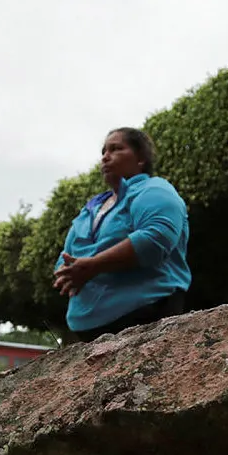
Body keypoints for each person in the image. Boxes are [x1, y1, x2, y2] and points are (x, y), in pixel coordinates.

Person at [54, 127, 191, 341]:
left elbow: (156, 238)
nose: (105, 157)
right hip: (86, 332)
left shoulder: (154, 190)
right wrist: (67, 272)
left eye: (116, 149)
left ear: (140, 159)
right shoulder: (90, 209)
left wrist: (94, 265)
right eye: (103, 152)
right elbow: (66, 257)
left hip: (147, 318)